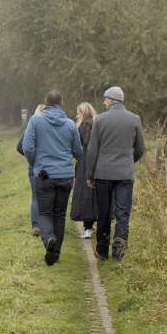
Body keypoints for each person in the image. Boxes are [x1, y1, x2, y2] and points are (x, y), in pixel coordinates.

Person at [77, 85, 145, 262]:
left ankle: (101, 249)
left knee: (104, 211)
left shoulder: (100, 120)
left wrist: (91, 174)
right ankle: (119, 248)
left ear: (111, 100)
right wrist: (128, 161)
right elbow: (140, 149)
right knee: (123, 212)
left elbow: (92, 150)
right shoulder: (135, 119)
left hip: (103, 174)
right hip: (125, 174)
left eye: (105, 99)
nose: (103, 102)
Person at [18, 92, 82, 264]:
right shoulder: (70, 124)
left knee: (45, 212)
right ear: (62, 103)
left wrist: (36, 164)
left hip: (44, 174)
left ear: (46, 103)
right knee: (60, 215)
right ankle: (56, 254)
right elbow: (78, 151)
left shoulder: (36, 120)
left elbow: (27, 147)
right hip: (65, 176)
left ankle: (49, 240)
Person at [71, 102, 101, 240]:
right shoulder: (97, 125)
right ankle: (96, 223)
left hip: (84, 164)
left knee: (85, 195)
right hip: (98, 163)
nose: (77, 115)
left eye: (78, 112)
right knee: (96, 195)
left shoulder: (81, 127)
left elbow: (77, 147)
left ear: (83, 113)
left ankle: (88, 228)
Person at [17, 101, 48, 236]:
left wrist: (31, 158)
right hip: (48, 166)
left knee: (35, 197)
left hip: (34, 167)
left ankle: (35, 225)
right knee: (47, 196)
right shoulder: (49, 128)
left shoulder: (31, 127)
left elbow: (20, 147)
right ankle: (46, 224)